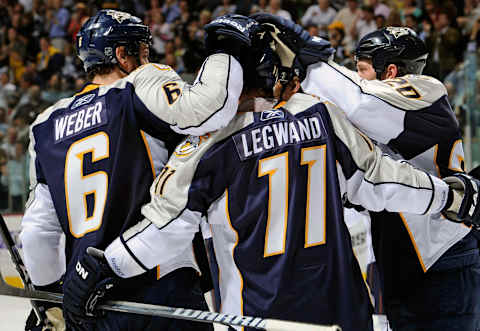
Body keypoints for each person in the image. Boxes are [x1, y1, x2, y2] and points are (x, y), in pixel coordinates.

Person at [61, 26, 480, 331]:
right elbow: (380, 180)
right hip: (344, 316)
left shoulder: (210, 145)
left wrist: (104, 265)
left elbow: (167, 228)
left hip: (259, 318)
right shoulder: (320, 115)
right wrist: (447, 196)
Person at [20, 10, 259, 331]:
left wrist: (50, 298)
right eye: (142, 52)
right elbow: (208, 108)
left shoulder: (46, 125)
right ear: (121, 55)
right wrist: (226, 50)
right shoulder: (137, 85)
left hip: (91, 301)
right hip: (161, 286)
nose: (147, 60)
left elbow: (38, 233)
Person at [254, 16, 480, 331]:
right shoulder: (380, 114)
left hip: (441, 260)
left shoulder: (427, 91)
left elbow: (359, 101)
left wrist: (309, 57)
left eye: (361, 69)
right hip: (401, 264)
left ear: (391, 71)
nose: (356, 76)